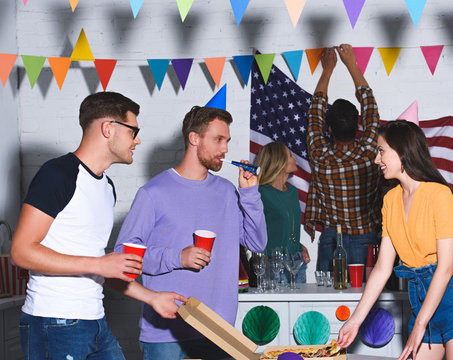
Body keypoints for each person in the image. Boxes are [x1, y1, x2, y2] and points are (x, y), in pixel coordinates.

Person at [10, 92, 187, 360]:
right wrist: (99, 264)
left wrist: (151, 297)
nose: (137, 140)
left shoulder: (106, 188)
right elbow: (21, 252)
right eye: (133, 131)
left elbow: (103, 269)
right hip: (54, 322)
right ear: (108, 128)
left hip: (94, 322)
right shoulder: (58, 175)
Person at [114, 106, 267, 360]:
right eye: (218, 139)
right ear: (194, 139)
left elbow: (257, 242)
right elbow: (122, 257)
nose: (225, 149)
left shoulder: (228, 191)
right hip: (166, 332)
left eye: (226, 141)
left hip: (218, 330)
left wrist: (250, 194)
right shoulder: (153, 193)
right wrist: (178, 257)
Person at [338, 120, 453, 360]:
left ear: (402, 151)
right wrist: (355, 321)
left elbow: (446, 267)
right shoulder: (390, 200)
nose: (376, 160)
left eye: (381, 151)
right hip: (420, 298)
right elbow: (382, 269)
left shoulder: (439, 194)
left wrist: (420, 323)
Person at [305, 44, 382, 274]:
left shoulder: (320, 154)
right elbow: (370, 107)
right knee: (365, 301)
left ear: (329, 128)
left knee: (328, 302)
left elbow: (314, 113)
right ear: (359, 125)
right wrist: (352, 65)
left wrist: (327, 70)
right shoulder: (370, 151)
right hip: (366, 239)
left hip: (332, 240)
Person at [254, 142, 310, 284]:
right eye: (290, 156)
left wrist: (299, 246)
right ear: (280, 162)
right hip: (272, 263)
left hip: (297, 261)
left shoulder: (293, 192)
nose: (295, 159)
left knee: (299, 305)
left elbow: (285, 227)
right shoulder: (260, 192)